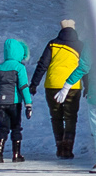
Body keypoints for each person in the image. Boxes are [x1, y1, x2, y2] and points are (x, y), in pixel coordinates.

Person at [31, 19, 89, 159]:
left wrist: (34, 83)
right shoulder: (80, 45)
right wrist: (87, 85)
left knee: (56, 117)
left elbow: (42, 65)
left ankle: (59, 148)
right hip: (73, 86)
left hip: (52, 84)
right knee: (70, 118)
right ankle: (67, 149)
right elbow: (84, 67)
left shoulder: (52, 44)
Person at [0, 37, 31, 163]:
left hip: (0, 103)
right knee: (16, 127)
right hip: (14, 102)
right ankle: (16, 154)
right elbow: (23, 86)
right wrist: (28, 104)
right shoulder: (19, 67)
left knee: (3, 128)